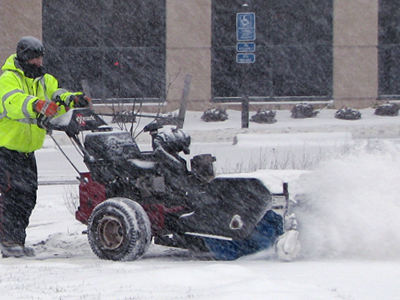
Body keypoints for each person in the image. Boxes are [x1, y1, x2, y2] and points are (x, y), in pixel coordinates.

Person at [0, 36, 91, 258]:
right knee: (12, 196)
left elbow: (57, 95)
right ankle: (9, 241)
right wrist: (36, 105)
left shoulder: (44, 79)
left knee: (28, 196)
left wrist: (72, 100)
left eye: (40, 57)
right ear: (23, 57)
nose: (38, 62)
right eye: (34, 58)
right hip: (5, 149)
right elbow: (13, 102)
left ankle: (15, 240)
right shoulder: (8, 78)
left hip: (27, 151)